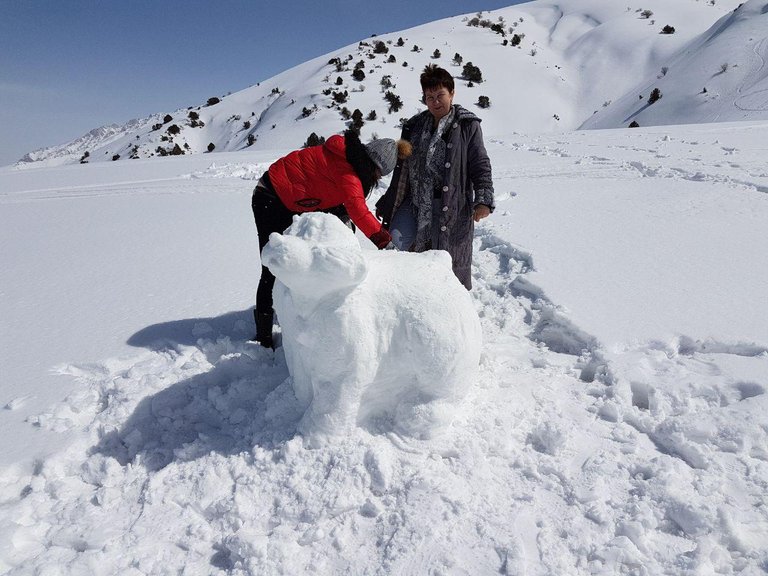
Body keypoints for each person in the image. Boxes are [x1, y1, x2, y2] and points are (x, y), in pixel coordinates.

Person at [251, 130, 411, 348]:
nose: (376, 180)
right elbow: (358, 209)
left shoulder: (348, 156)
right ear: (374, 167)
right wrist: (385, 242)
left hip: (289, 195)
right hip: (270, 196)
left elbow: (336, 196)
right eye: (378, 175)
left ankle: (299, 305)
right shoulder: (349, 174)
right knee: (273, 264)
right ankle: (263, 337)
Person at [376, 64, 494, 290]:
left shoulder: (467, 125)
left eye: (440, 95)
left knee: (446, 264)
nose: (435, 102)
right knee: (395, 247)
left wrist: (484, 199)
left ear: (452, 93)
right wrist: (389, 200)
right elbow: (402, 170)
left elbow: (480, 163)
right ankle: (398, 296)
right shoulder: (414, 126)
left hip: (450, 205)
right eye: (429, 97)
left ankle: (447, 309)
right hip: (414, 201)